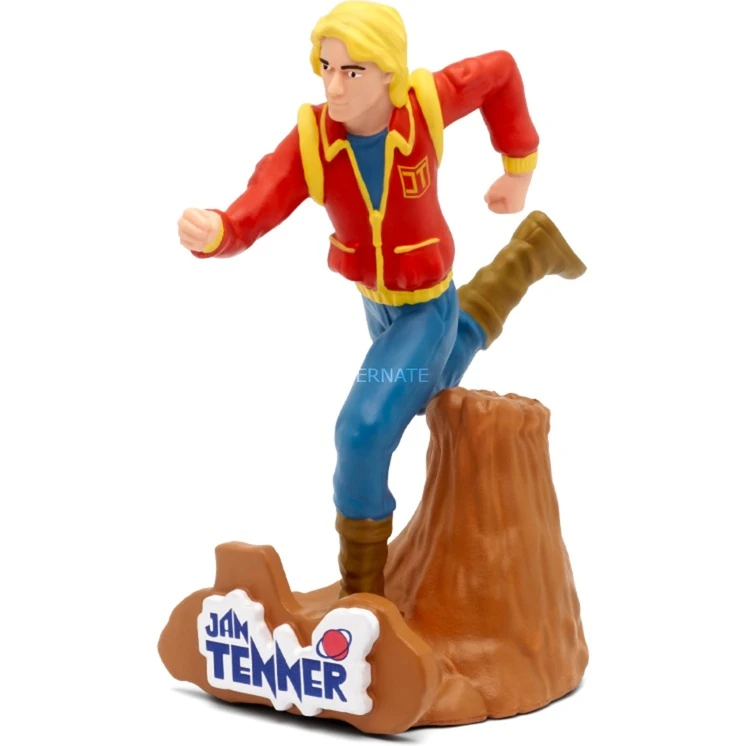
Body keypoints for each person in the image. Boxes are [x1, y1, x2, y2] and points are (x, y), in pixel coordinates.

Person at [177, 1, 585, 598]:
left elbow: (499, 71)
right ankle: (530, 253)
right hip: (376, 305)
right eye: (326, 68)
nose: (334, 87)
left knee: (363, 430)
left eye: (353, 71)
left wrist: (517, 168)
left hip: (425, 305)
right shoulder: (316, 140)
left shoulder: (423, 107)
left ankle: (362, 596)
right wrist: (222, 230)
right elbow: (265, 193)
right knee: (430, 385)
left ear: (389, 70)